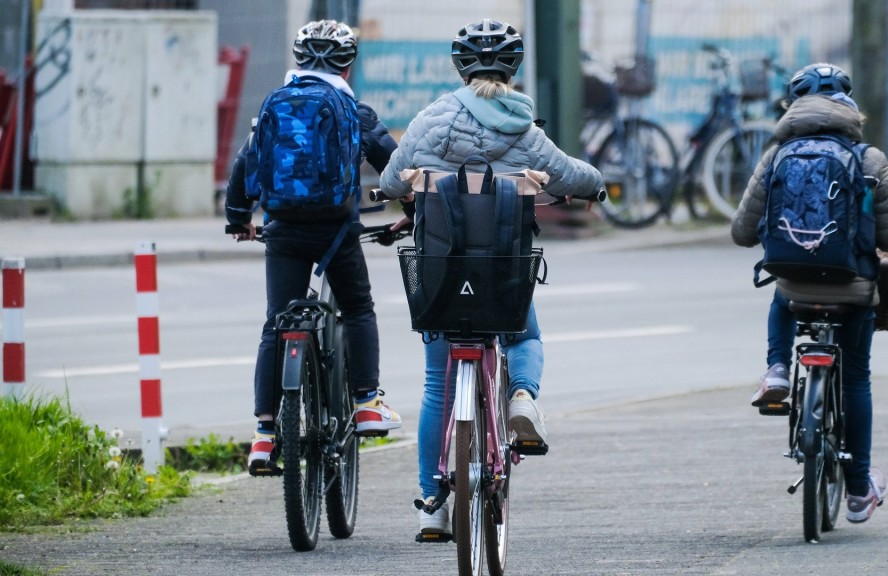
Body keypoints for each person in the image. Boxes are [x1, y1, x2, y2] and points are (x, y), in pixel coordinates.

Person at [377, 19, 604, 538]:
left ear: (458, 68)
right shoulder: (523, 128)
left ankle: (432, 505)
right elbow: (568, 174)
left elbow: (392, 179)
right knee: (525, 334)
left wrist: (407, 190)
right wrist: (596, 187)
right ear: (514, 68)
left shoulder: (430, 119)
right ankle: (522, 397)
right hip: (502, 272)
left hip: (440, 273)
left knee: (437, 384)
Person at [731, 62, 888, 523]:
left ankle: (776, 370)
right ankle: (857, 493)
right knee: (855, 378)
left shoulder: (776, 156)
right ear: (848, 108)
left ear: (792, 108)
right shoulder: (869, 159)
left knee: (780, 291)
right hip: (853, 292)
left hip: (794, 285)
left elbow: (741, 232)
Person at [224, 20, 403, 476]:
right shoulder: (353, 111)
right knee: (359, 308)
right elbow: (395, 168)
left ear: (298, 60)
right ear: (349, 64)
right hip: (337, 231)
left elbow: (246, 165)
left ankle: (265, 435)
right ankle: (365, 403)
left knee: (275, 323)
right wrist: (414, 214)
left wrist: (239, 219)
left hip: (283, 229)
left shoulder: (272, 109)